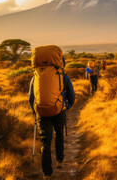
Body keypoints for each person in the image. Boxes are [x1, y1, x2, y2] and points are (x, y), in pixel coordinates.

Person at [29, 46, 75, 180]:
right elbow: (71, 96)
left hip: (41, 112)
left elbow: (31, 97)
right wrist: (67, 106)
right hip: (59, 110)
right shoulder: (63, 77)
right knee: (59, 134)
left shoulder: (35, 77)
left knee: (45, 142)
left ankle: (46, 174)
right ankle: (60, 161)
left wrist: (35, 111)